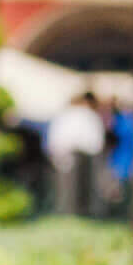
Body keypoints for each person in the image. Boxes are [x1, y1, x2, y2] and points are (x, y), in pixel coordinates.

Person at [45, 89, 107, 217]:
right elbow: (95, 139)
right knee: (83, 187)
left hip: (68, 152)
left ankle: (68, 212)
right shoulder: (86, 114)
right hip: (82, 152)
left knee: (68, 187)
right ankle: (82, 212)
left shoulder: (65, 114)